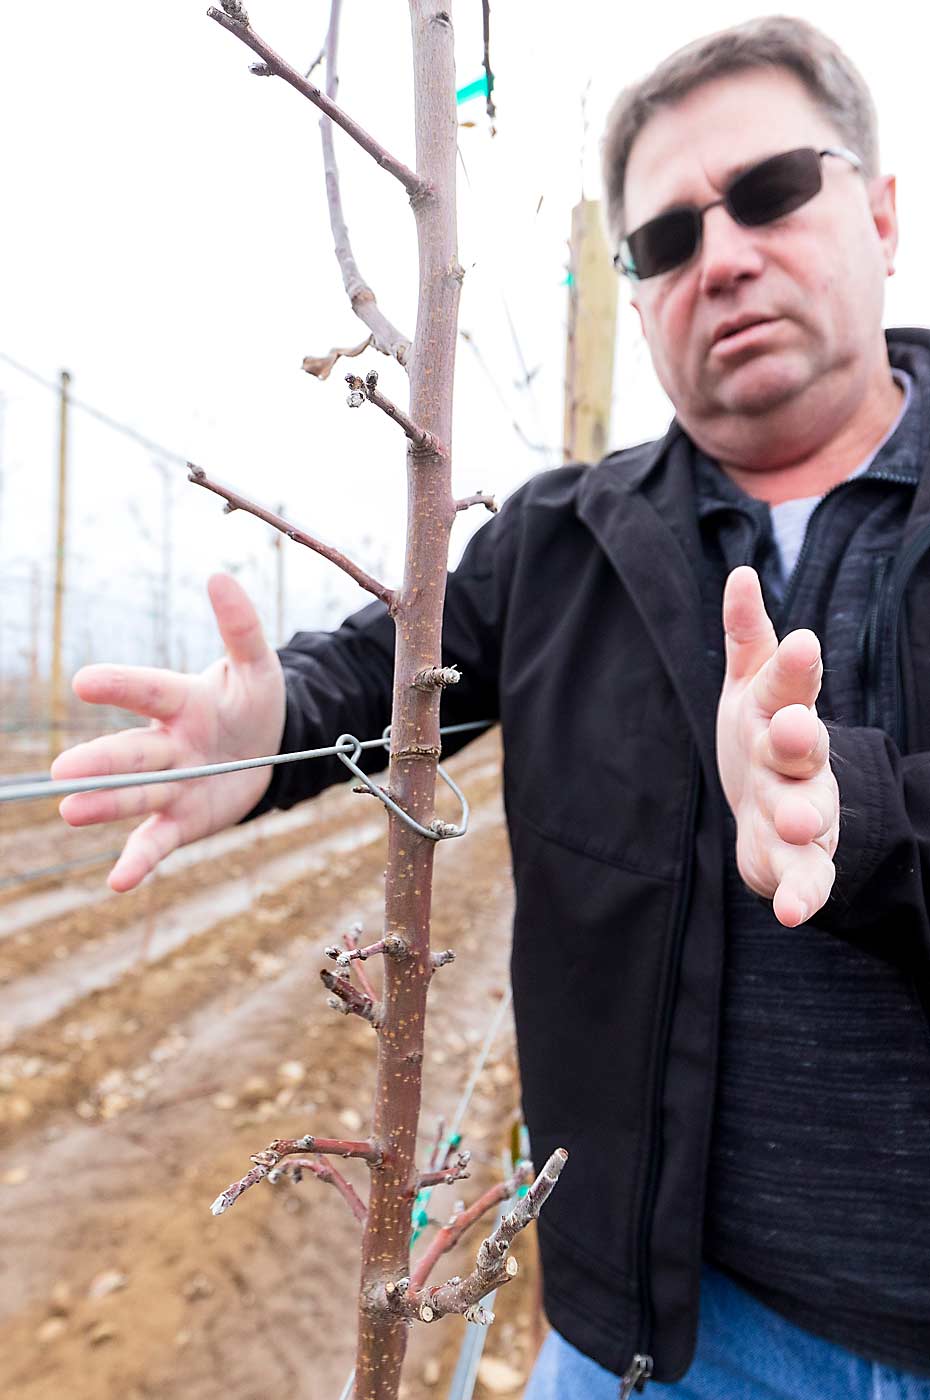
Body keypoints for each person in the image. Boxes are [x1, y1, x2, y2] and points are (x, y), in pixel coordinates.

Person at [52, 16, 930, 1398]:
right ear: (636, 296)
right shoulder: (562, 539)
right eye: (663, 241)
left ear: (878, 209)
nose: (725, 256)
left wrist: (857, 806)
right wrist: (270, 726)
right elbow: (388, 672)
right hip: (657, 1334)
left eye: (768, 193)